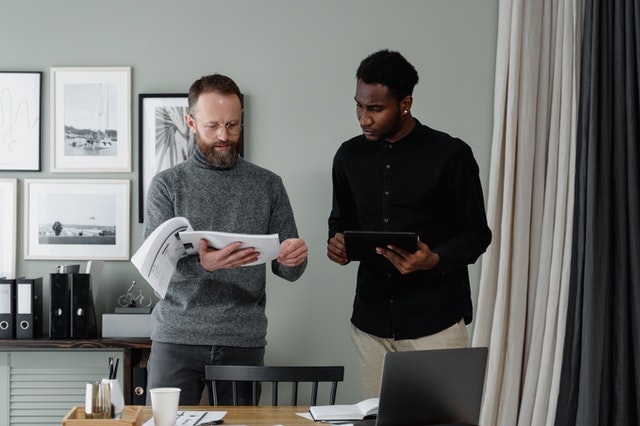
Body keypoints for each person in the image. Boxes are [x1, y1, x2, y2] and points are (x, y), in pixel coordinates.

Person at [327, 50, 492, 398]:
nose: (363, 118)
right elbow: (341, 221)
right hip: (371, 324)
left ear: (405, 104)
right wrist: (337, 243)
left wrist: (433, 259)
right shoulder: (348, 156)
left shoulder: (451, 154)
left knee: (443, 423)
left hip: (436, 322)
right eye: (359, 106)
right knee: (377, 421)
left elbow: (477, 233)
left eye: (375, 109)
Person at [144, 73, 308, 405]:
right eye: (213, 126)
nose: (224, 136)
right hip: (176, 338)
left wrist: (294, 259)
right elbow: (154, 269)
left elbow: (287, 270)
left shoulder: (268, 185)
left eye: (233, 125)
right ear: (191, 122)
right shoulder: (166, 185)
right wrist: (203, 265)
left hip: (242, 341)